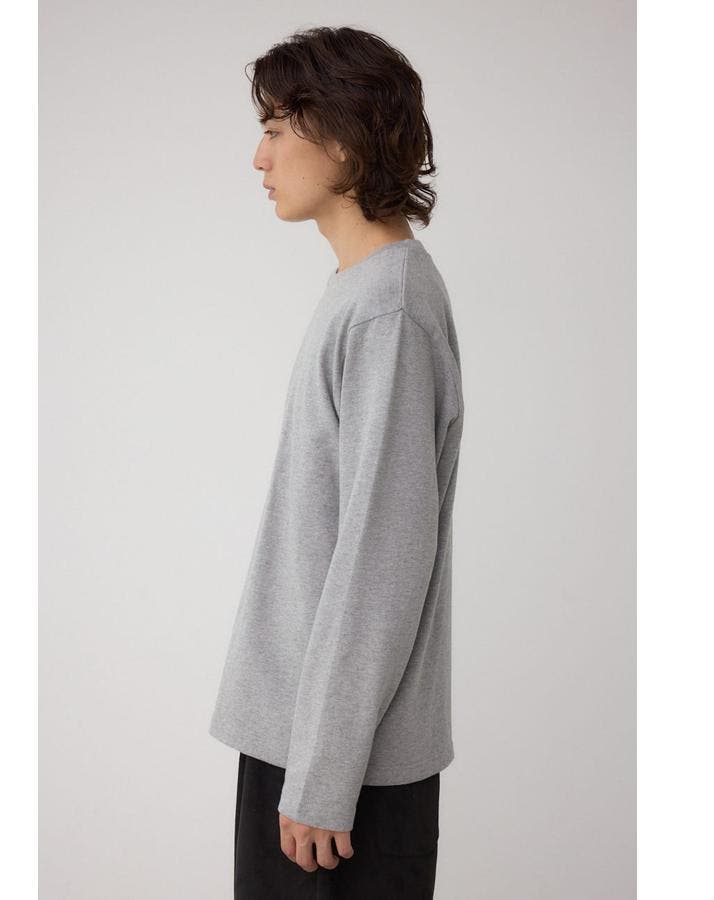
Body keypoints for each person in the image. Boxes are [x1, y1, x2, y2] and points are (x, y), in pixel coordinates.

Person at [208, 25, 464, 899]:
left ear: (347, 140)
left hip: (337, 774)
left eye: (277, 129)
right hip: (313, 746)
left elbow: (381, 562)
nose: (260, 156)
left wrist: (322, 777)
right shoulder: (364, 292)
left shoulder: (388, 308)